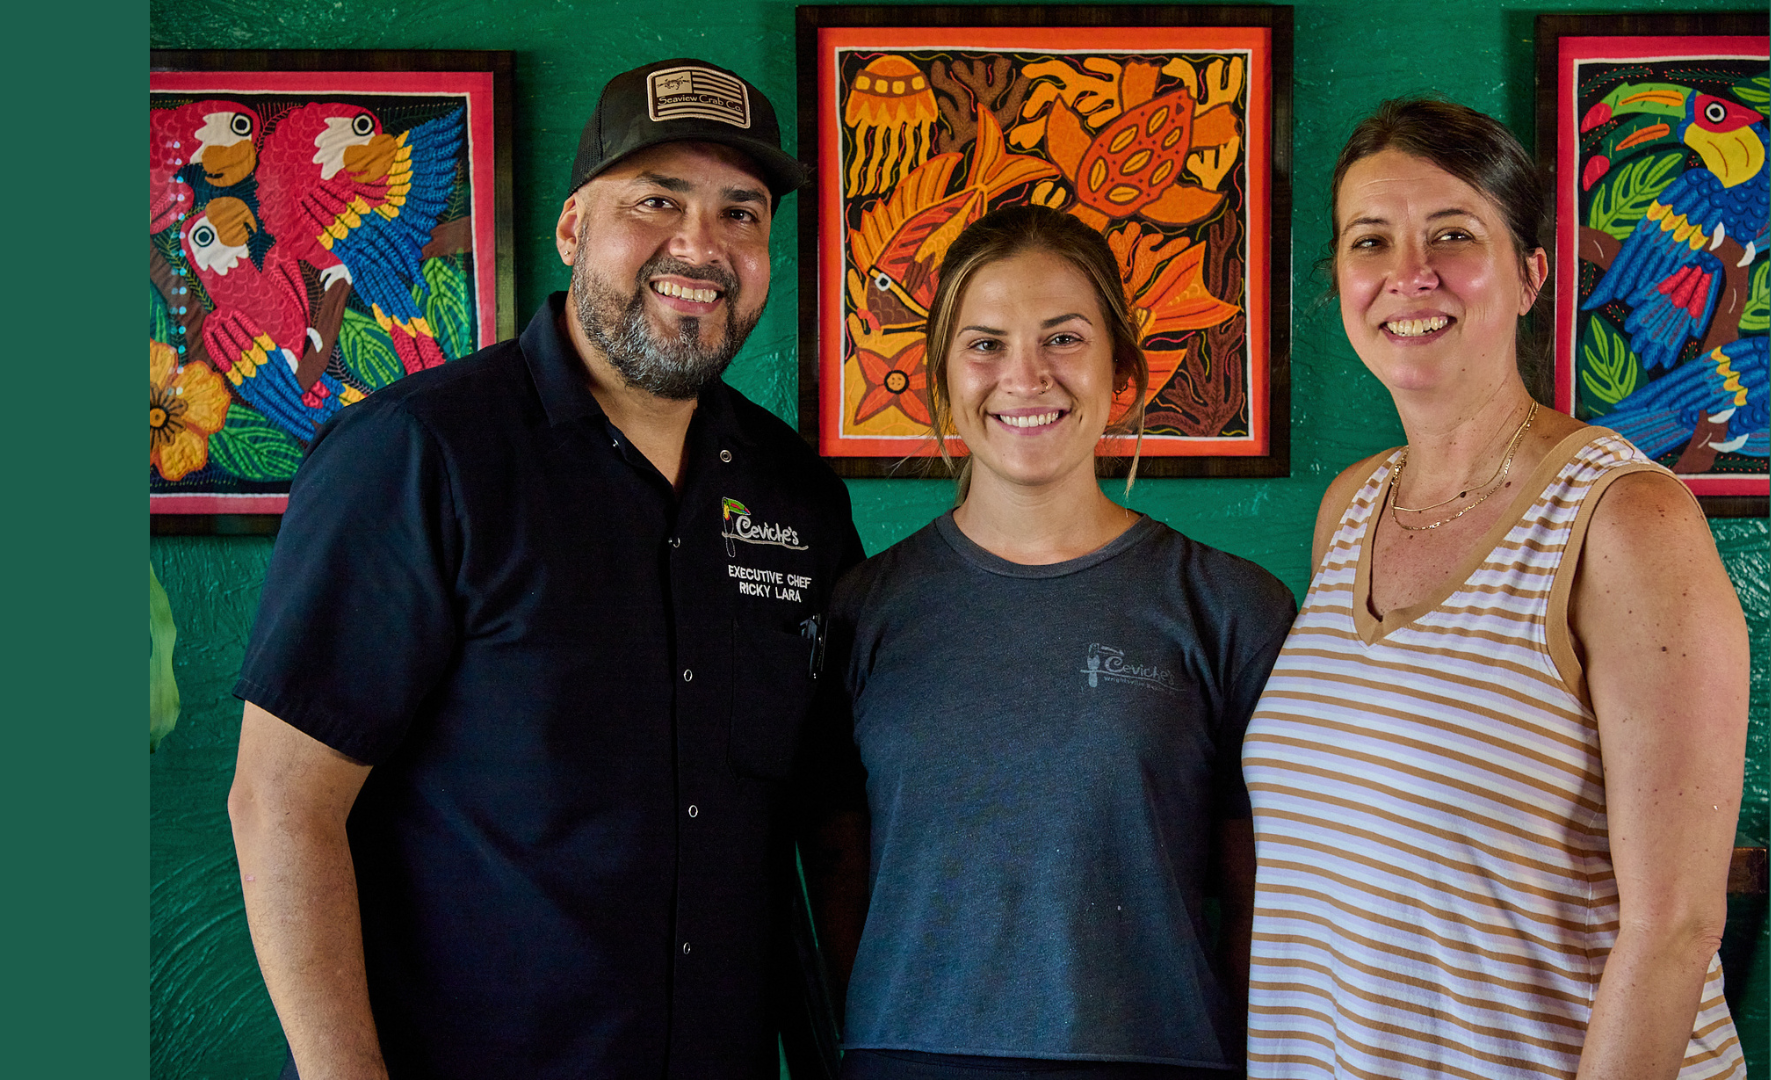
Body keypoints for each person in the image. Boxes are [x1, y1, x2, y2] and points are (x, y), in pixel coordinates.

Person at [226, 58, 863, 1080]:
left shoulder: (798, 494)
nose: (700, 245)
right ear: (572, 230)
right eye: (657, 200)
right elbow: (281, 804)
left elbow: (831, 817)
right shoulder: (418, 454)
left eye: (742, 214)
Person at [1242, 98, 1749, 1079]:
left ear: (1529, 275)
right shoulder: (1351, 509)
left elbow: (1675, 927)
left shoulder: (1625, 520)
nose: (1407, 274)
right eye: (1370, 241)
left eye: (1453, 235)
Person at [806, 205, 1297, 1080]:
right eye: (986, 343)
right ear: (940, 380)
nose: (1025, 376)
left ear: (1125, 376)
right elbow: (839, 870)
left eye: (1063, 338)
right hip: (904, 1058)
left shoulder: (1231, 608)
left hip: (1158, 1059)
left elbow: (1267, 904)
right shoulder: (863, 608)